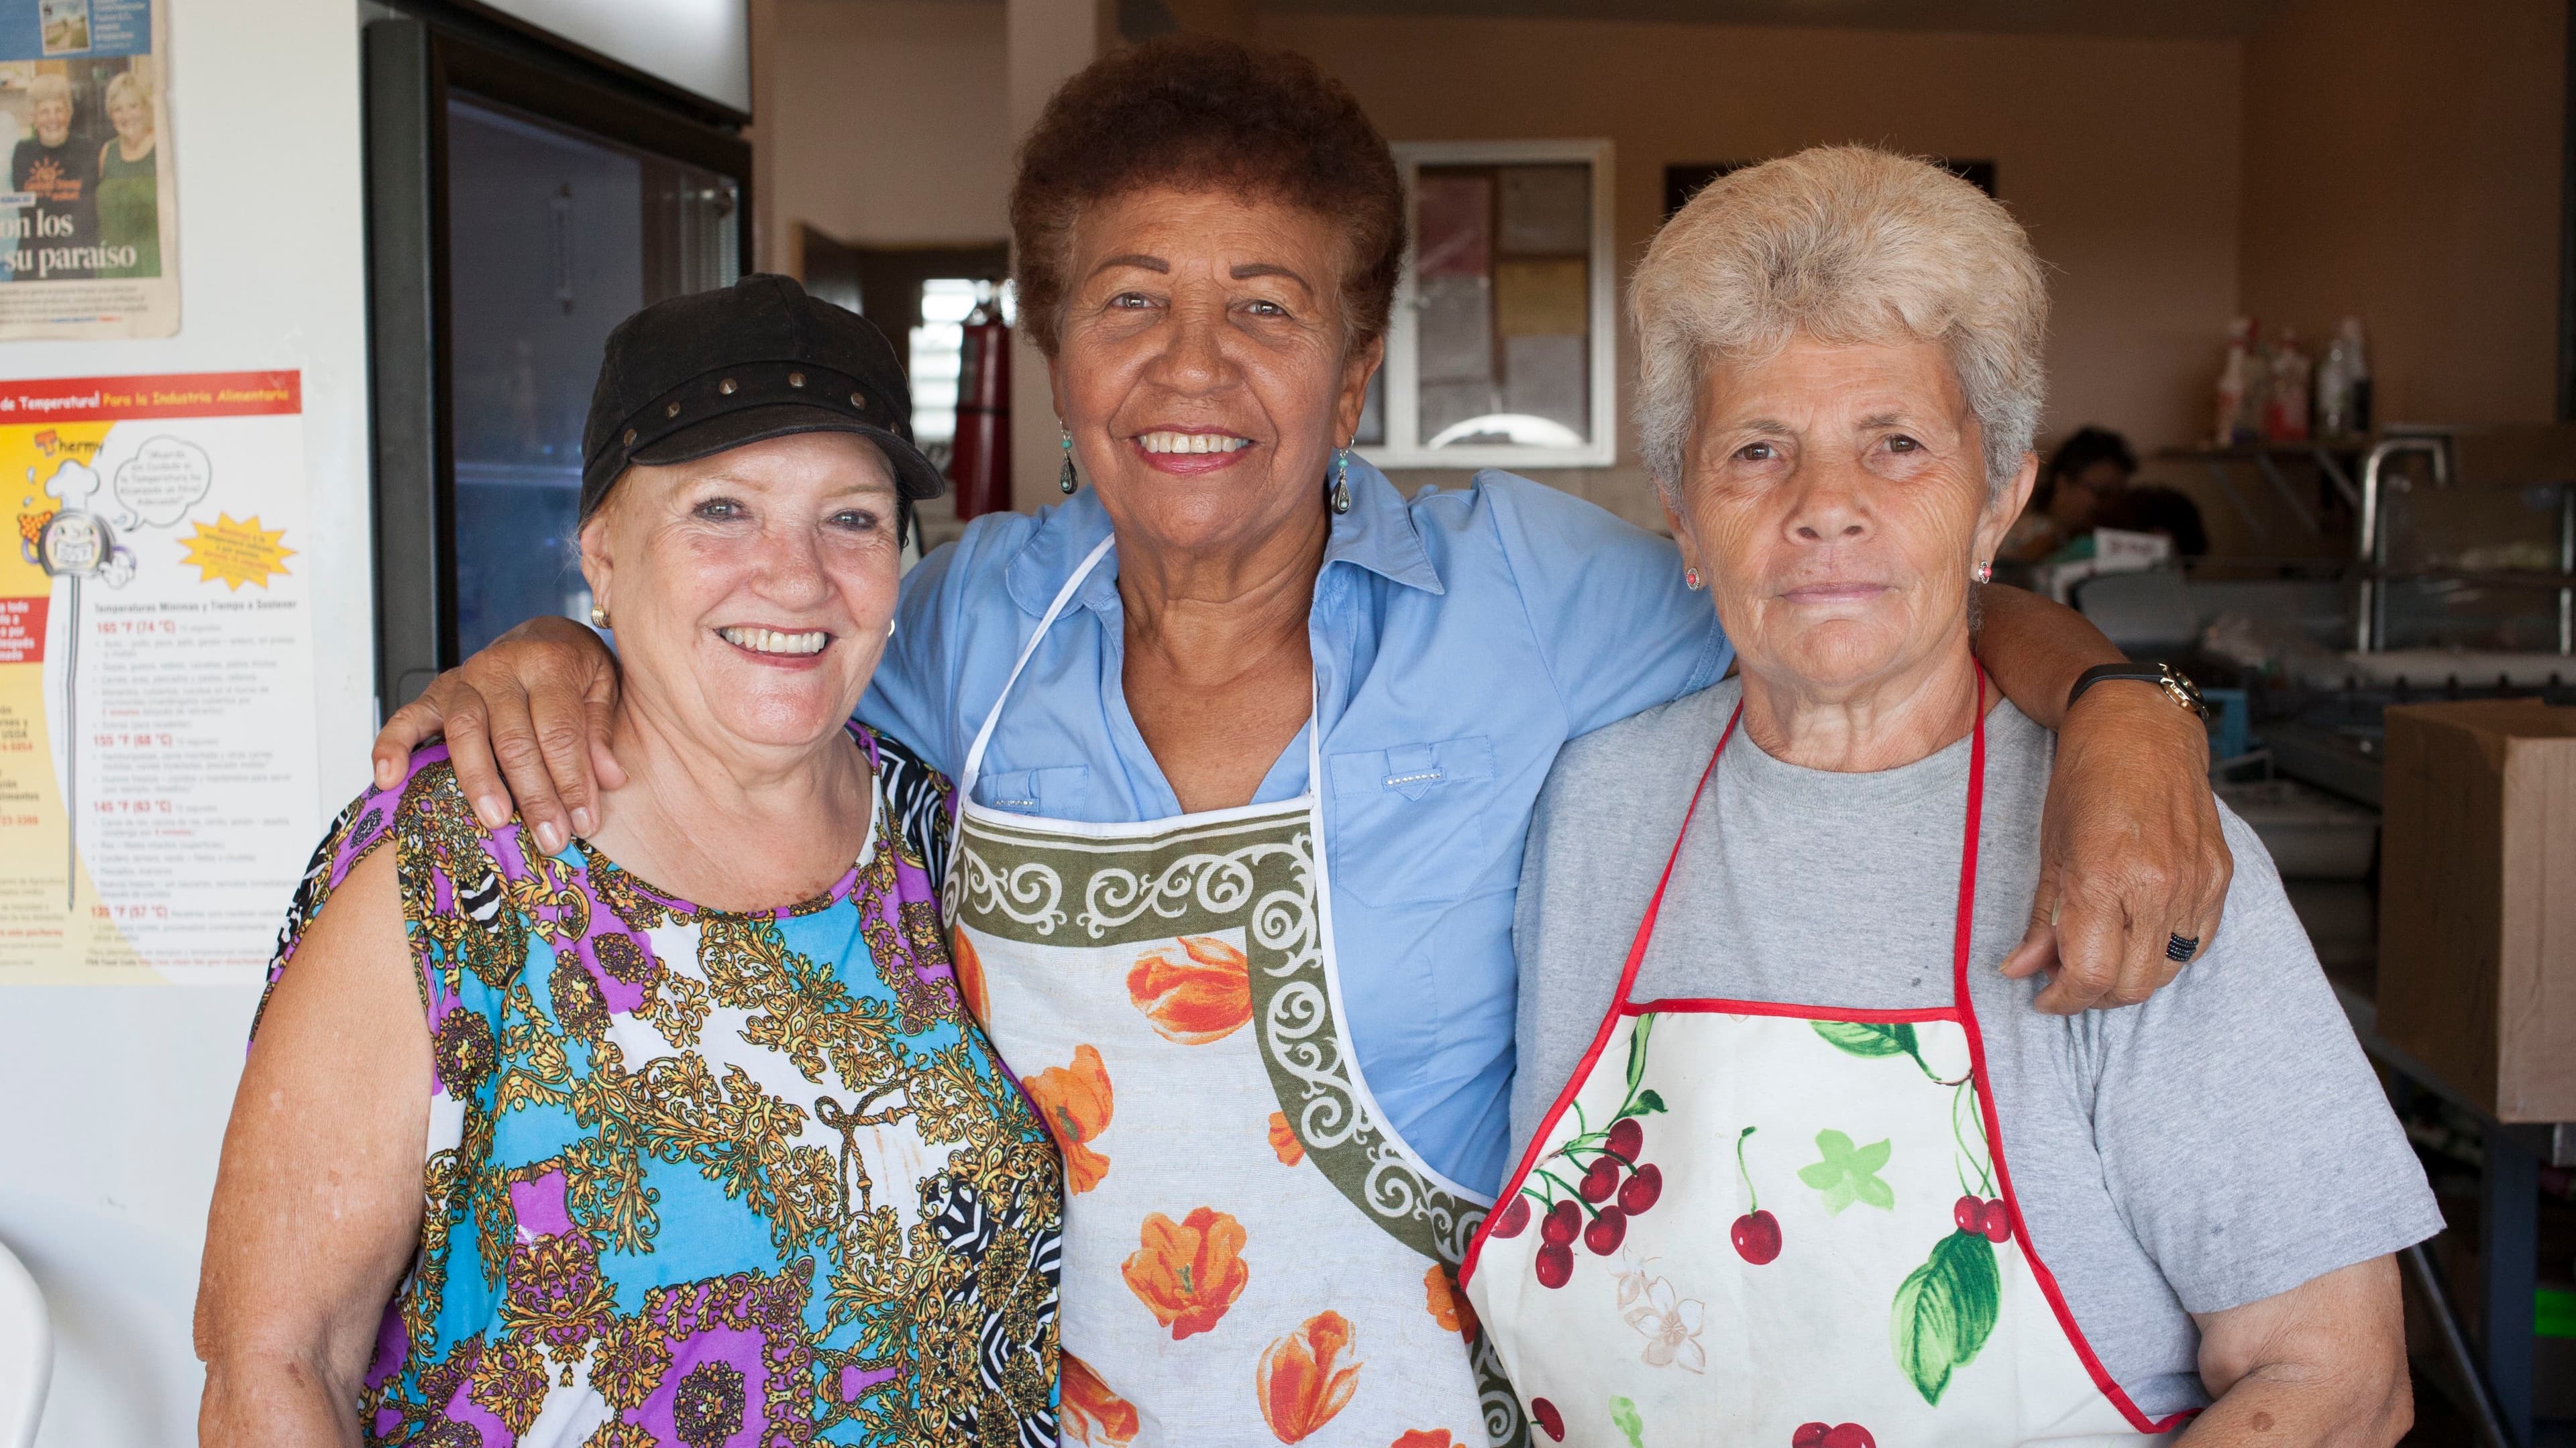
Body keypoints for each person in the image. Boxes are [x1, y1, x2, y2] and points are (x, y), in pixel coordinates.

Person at [371, 38, 2233, 1447]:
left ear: (1354, 370)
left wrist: (2125, 711)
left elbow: (1864, 593)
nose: (1193, 370)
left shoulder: (1544, 600)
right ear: (1062, 359)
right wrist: (563, 639)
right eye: (1133, 306)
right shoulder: (951, 622)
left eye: (1264, 309)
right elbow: (734, 662)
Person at [1469, 148, 2434, 1447]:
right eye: (1758, 449)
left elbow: (2337, 1386)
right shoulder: (1594, 806)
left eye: (1897, 444)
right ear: (1684, 518)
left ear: (1998, 504)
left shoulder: (2138, 850)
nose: (1825, 509)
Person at [195, 276, 1063, 1447]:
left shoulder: (943, 835)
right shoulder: (458, 864)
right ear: (601, 554)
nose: (798, 574)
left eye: (851, 517)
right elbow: (273, 1359)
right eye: (721, 508)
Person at [2001, 425, 2135, 564]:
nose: (2109, 505)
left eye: (2119, 496)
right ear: (2063, 483)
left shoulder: (2120, 537)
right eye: (2101, 493)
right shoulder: (2023, 531)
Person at [9, 72, 97, 280]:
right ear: (34, 117)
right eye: (44, 112)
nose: (53, 119)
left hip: (75, 259)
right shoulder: (23, 152)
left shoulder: (86, 148)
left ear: (69, 113)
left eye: (59, 110)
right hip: (33, 262)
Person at [93, 70, 156, 279]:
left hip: (153, 264)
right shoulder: (107, 152)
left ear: (146, 108)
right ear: (111, 115)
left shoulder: (162, 148)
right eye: (118, 109)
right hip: (115, 266)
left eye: (133, 106)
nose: (126, 116)